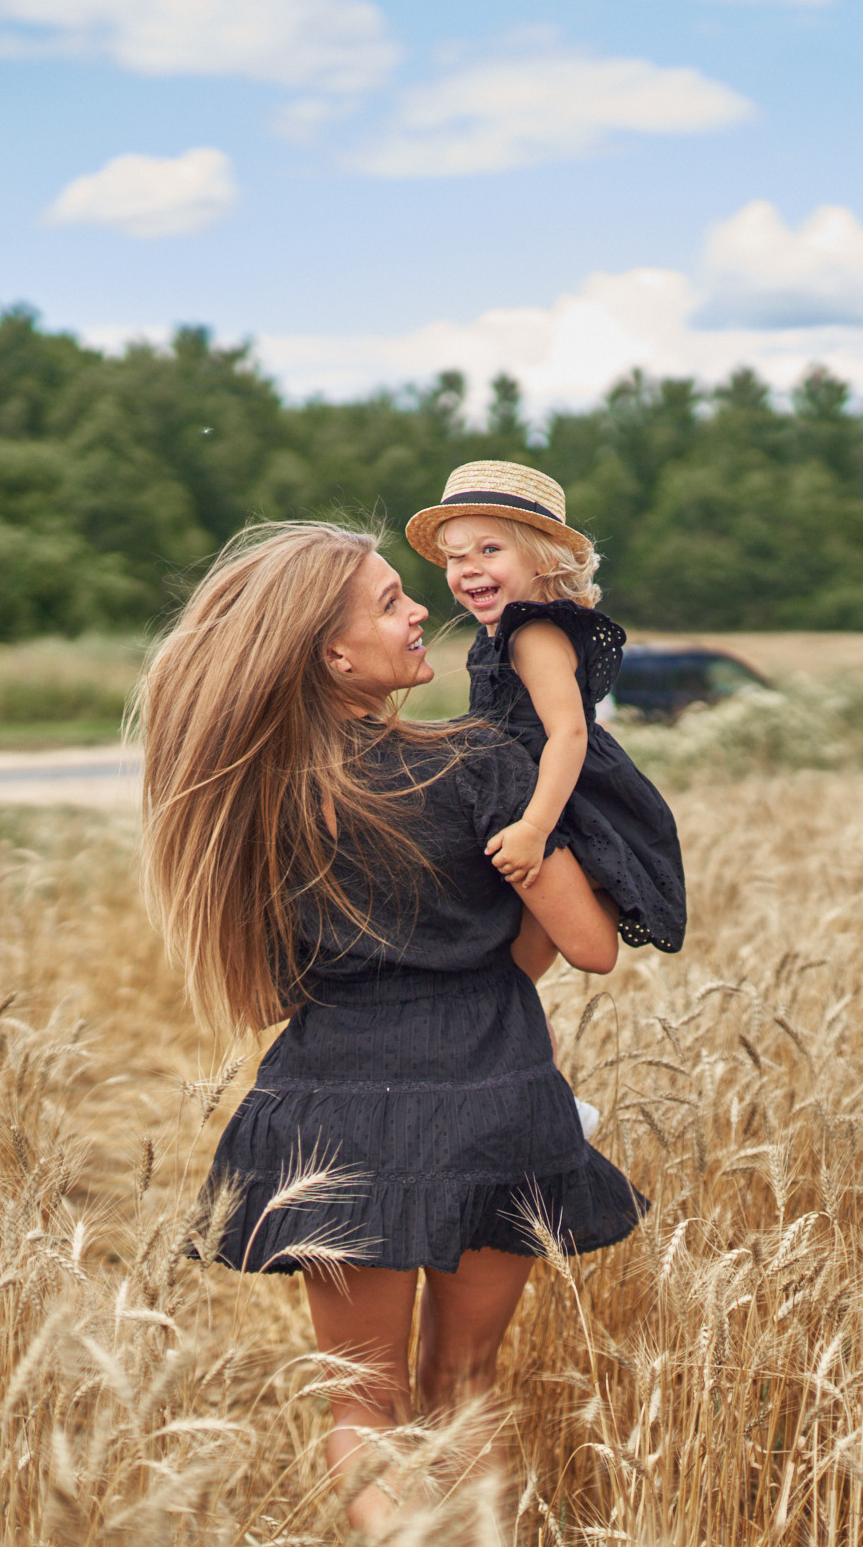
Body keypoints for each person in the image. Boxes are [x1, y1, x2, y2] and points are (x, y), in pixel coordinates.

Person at [136, 521, 648, 1533]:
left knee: (361, 1400)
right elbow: (587, 945)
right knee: (465, 1379)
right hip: (492, 1100)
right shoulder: (481, 771)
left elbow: (274, 988)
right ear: (333, 652)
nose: (422, 609)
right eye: (388, 602)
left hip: (332, 1112)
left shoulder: (247, 801)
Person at [407, 460, 688, 966]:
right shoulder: (497, 632)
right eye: (455, 557)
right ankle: (519, 1022)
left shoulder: (535, 633)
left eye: (490, 550)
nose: (468, 567)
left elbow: (570, 733)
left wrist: (536, 829)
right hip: (515, 785)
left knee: (579, 947)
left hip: (553, 794)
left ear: (541, 561)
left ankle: (594, 884)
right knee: (522, 943)